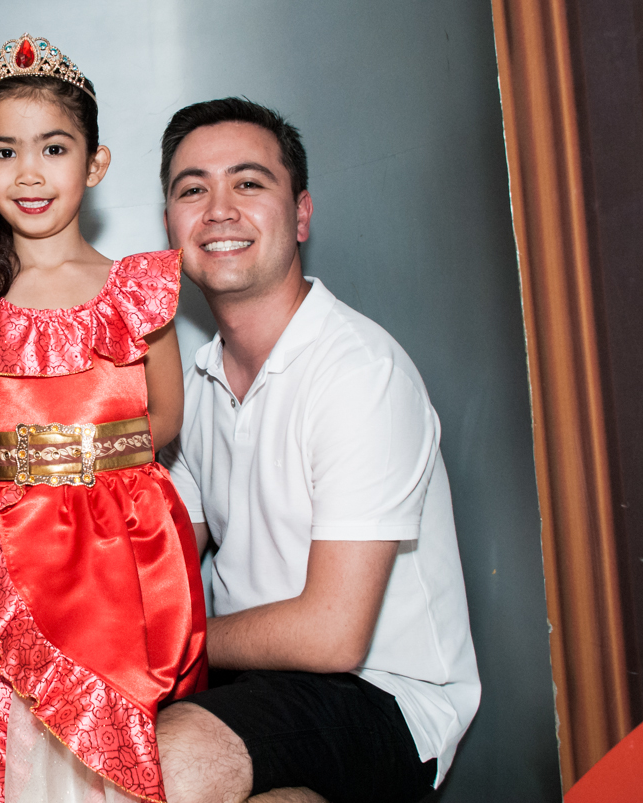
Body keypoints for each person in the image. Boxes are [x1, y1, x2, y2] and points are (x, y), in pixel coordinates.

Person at [155, 98, 480, 803]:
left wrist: (168, 642)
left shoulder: (358, 371)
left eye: (248, 182)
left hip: (383, 696)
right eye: (192, 189)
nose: (218, 209)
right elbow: (162, 551)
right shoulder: (195, 383)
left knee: (170, 760)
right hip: (251, 691)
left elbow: (334, 633)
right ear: (169, 229)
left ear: (300, 214)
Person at [0, 34, 209, 803]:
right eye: (6, 152)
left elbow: (168, 410)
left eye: (53, 147)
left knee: (130, 748)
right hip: (18, 551)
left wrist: (101, 471)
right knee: (29, 759)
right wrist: (44, 478)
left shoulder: (136, 289)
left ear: (95, 163)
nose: (30, 172)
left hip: (129, 546)